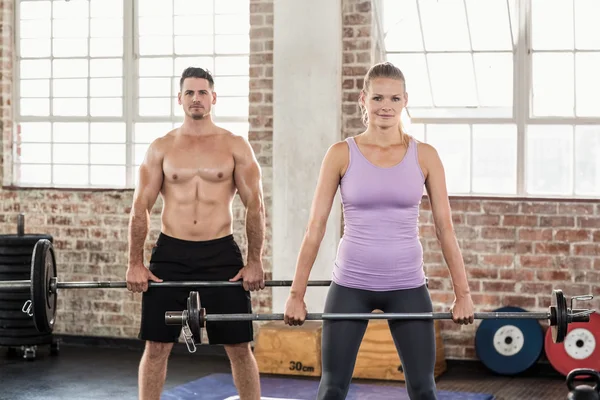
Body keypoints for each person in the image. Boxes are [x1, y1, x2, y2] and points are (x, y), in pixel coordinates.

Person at [283, 62, 475, 400]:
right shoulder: (340, 154)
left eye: (394, 98)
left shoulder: (425, 156)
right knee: (331, 389)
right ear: (363, 100)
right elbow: (316, 227)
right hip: (351, 284)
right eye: (377, 98)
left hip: (407, 285)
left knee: (424, 389)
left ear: (405, 101)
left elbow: (445, 228)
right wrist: (296, 294)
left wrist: (463, 294)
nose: (385, 106)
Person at [126, 67, 265, 400]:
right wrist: (135, 261)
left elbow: (255, 205)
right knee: (157, 345)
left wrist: (255, 260)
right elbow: (140, 206)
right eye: (189, 93)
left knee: (239, 346)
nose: (196, 98)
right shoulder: (162, 147)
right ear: (180, 99)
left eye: (202, 92)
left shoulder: (235, 145)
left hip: (221, 253)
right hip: (171, 253)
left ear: (213, 98)